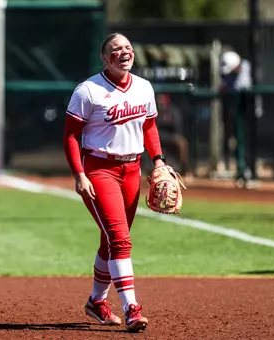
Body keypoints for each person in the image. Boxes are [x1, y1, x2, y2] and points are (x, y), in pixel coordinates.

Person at [63, 32, 167, 332]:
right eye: (116, 49)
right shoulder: (88, 91)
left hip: (132, 170)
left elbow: (149, 125)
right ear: (105, 58)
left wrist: (158, 160)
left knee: (112, 242)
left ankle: (96, 301)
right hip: (99, 170)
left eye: (128, 47)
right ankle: (132, 308)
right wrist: (79, 175)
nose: (124, 52)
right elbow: (71, 135)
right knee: (120, 239)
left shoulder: (144, 87)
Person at [155, 93, 191, 176]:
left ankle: (184, 169)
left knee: (182, 143)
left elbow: (177, 126)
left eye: (162, 100)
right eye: (159, 100)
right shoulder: (155, 111)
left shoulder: (172, 111)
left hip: (171, 135)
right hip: (159, 135)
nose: (161, 103)